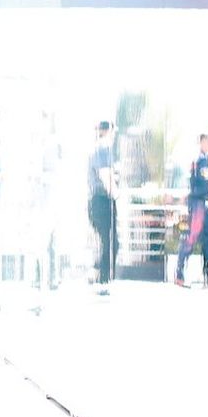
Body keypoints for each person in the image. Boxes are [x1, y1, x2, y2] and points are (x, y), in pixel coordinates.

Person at [174, 133, 208, 286]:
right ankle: (180, 273)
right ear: (203, 141)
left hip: (202, 203)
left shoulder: (203, 159)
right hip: (199, 203)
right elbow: (206, 182)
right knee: (193, 237)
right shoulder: (202, 160)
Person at [88, 120, 117, 294]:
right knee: (109, 241)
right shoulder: (103, 149)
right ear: (108, 131)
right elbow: (104, 174)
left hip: (96, 199)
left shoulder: (96, 148)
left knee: (104, 240)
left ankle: (99, 275)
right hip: (102, 199)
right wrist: (116, 193)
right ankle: (103, 279)